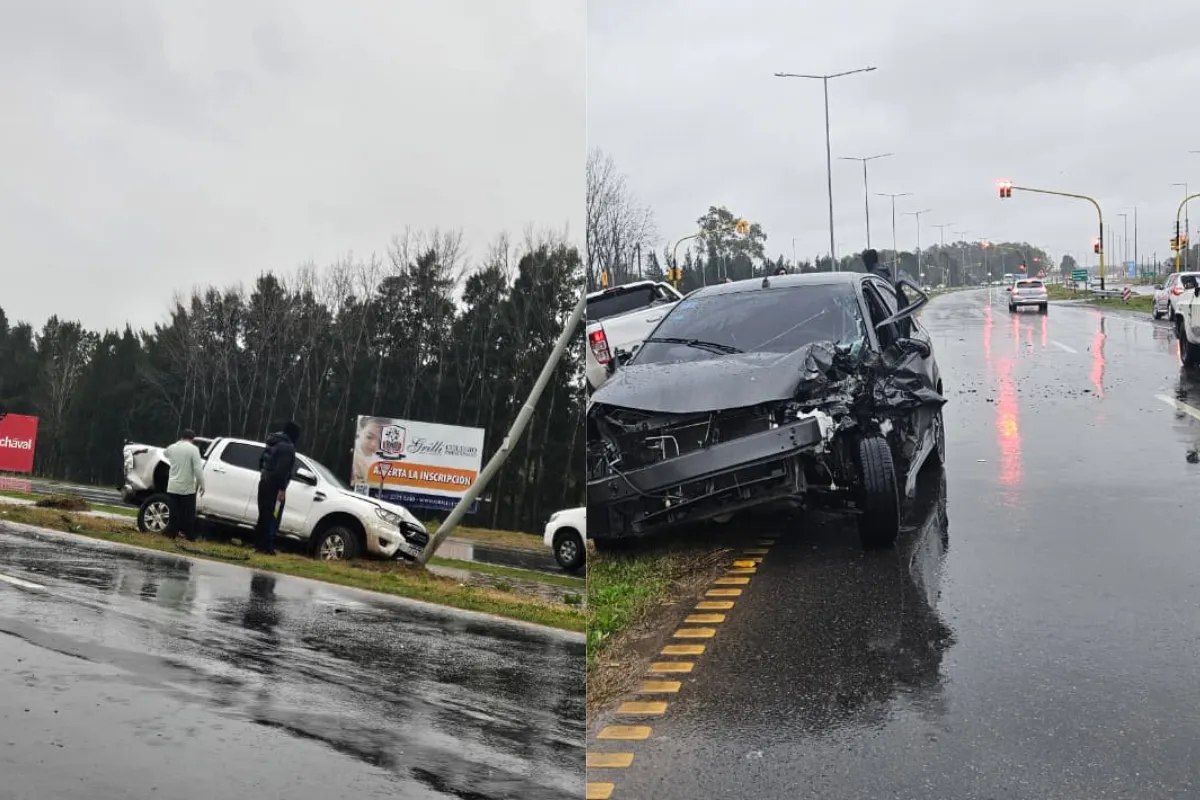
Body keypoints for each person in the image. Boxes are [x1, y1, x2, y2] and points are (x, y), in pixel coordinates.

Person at [255, 421, 300, 555]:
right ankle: (268, 547)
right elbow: (282, 471)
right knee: (274, 515)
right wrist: (282, 489)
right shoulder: (287, 448)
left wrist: (265, 474)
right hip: (275, 488)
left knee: (263, 515)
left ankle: (259, 545)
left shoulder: (272, 442)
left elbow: (261, 461)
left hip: (264, 482)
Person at [163, 429, 205, 542]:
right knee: (188, 514)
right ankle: (190, 536)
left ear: (181, 437)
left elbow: (164, 453)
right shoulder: (193, 449)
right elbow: (197, 469)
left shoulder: (172, 447)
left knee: (173, 512)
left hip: (172, 487)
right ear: (192, 439)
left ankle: (171, 533)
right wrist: (202, 484)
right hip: (187, 488)